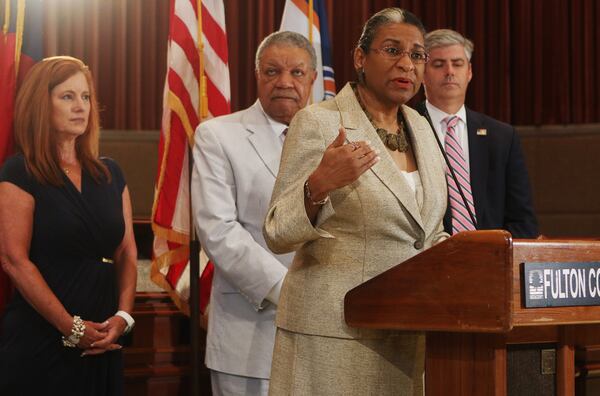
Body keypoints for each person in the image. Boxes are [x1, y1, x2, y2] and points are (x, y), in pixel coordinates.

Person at [263, 8, 448, 395]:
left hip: (409, 332)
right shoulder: (319, 122)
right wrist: (318, 186)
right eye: (392, 50)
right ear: (360, 58)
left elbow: (427, 231)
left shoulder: (423, 130)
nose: (406, 64)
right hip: (334, 333)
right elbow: (278, 231)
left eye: (417, 55)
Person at [0, 56, 137, 395]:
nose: (81, 106)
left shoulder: (110, 173)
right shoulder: (20, 172)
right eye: (67, 96)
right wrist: (71, 328)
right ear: (40, 103)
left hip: (104, 338)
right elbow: (13, 260)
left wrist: (123, 317)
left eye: (86, 96)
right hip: (41, 339)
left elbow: (126, 251)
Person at [191, 31, 317, 396]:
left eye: (296, 73)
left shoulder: (336, 140)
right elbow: (218, 230)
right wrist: (286, 289)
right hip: (250, 334)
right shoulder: (218, 135)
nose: (284, 82)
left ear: (312, 79)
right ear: (256, 75)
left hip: (325, 336)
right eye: (272, 71)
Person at [415, 29, 538, 238]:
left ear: (469, 72)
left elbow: (522, 220)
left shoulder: (502, 137)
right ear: (422, 73)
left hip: (490, 262)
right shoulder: (405, 126)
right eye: (438, 64)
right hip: (425, 260)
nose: (449, 71)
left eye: (457, 63)